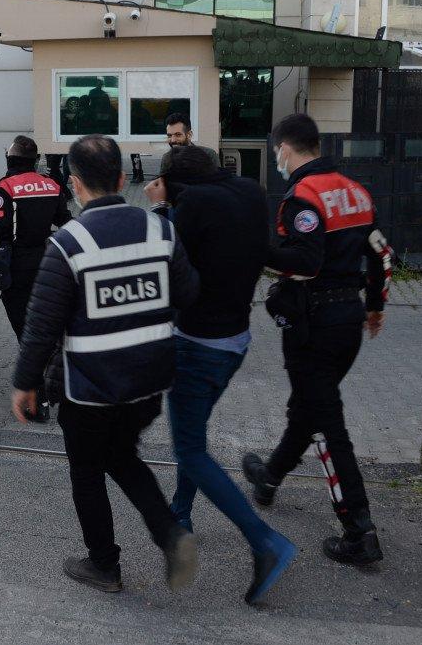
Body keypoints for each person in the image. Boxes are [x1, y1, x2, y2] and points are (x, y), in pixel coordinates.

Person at [12, 133, 200, 593]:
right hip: (149, 381)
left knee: (87, 469)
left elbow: (41, 326)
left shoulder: (69, 243)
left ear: (74, 184)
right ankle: (172, 536)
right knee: (121, 455)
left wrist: (25, 383)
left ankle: (104, 564)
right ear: (121, 178)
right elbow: (190, 294)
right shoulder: (161, 230)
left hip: (90, 387)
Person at [146, 146, 297, 604]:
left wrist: (160, 207)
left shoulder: (192, 204)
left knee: (190, 450)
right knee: (195, 434)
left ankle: (266, 543)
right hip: (236, 341)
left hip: (198, 344)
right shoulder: (250, 192)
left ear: (178, 183)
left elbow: (168, 257)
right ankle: (181, 513)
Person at [242, 113, 393, 565]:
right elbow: (383, 256)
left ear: (285, 148)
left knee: (327, 423)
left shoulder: (302, 198)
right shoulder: (356, 192)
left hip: (314, 323)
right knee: (309, 405)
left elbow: (303, 264)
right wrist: (375, 305)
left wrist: (256, 248)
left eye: (275, 152)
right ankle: (269, 477)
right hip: (347, 320)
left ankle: (358, 529)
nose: (276, 160)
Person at [0, 135, 70, 421]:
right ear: (34, 160)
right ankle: (61, 384)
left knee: (25, 330)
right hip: (47, 263)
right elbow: (64, 221)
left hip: (16, 267)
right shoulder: (52, 184)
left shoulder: (5, 186)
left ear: (10, 159)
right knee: (49, 325)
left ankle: (40, 398)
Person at [160, 109, 220, 174]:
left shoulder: (209, 155)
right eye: (169, 135)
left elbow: (219, 181)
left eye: (178, 135)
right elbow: (162, 182)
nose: (173, 140)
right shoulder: (166, 158)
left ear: (189, 135)